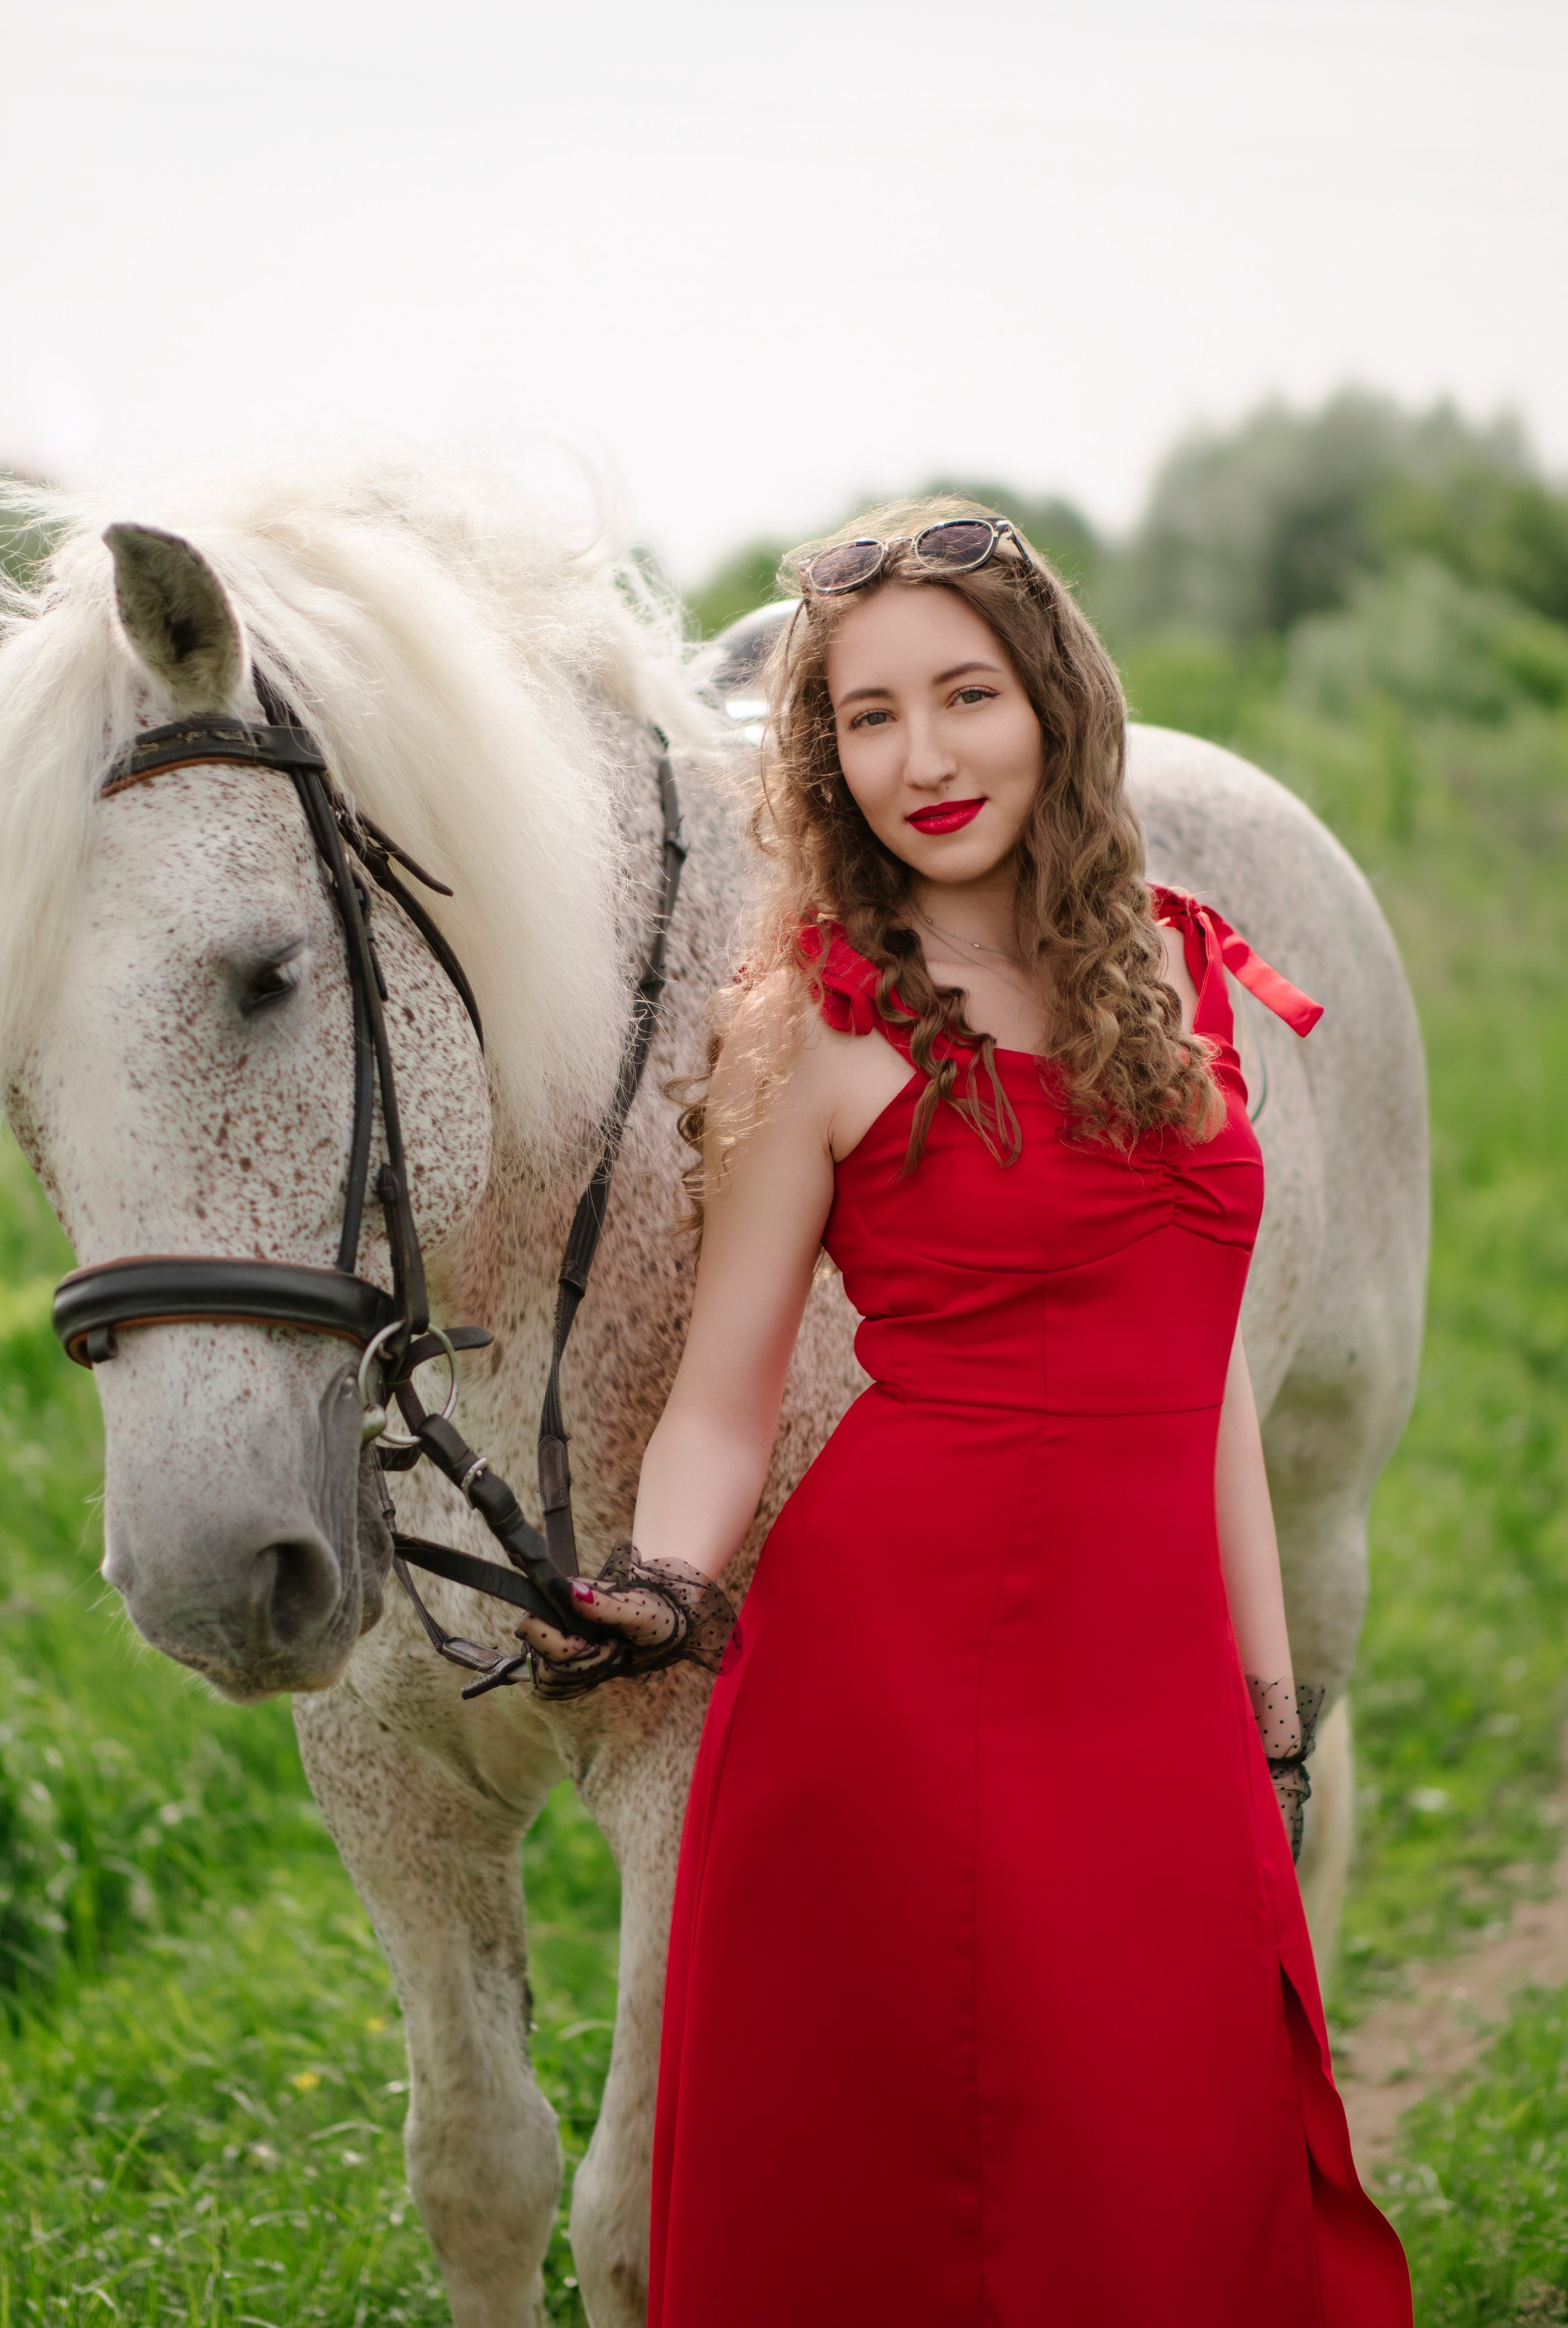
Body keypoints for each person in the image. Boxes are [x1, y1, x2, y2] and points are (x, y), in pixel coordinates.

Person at [520, 500, 1413, 2325]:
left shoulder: (1182, 981)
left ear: (1056, 704)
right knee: (925, 2211)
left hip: (1156, 1690)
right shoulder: (811, 1026)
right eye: (868, 718)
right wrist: (664, 1583)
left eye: (965, 696)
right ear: (826, 760)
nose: (922, 759)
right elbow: (724, 1400)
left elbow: (1204, 1390)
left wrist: (1272, 1714)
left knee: (1170, 2179)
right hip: (901, 1696)